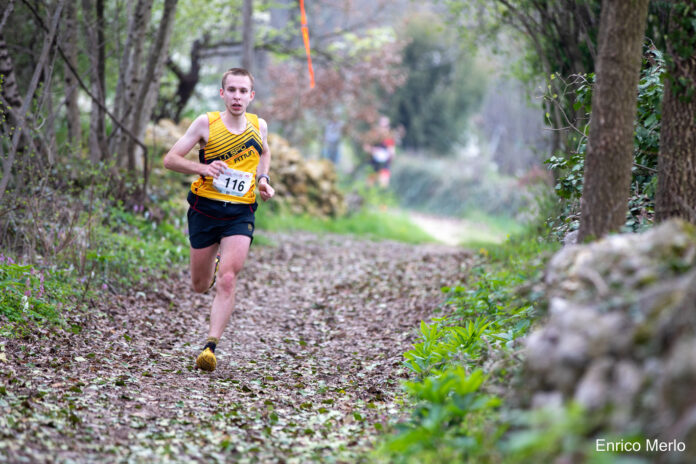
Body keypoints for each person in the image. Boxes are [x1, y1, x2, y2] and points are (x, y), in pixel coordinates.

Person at [163, 68, 275, 372]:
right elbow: (170, 159)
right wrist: (203, 169)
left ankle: (210, 347)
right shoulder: (205, 123)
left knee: (228, 278)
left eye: (243, 91)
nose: (237, 96)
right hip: (204, 210)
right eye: (232, 90)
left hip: (240, 212)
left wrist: (263, 180)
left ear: (251, 96)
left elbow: (264, 153)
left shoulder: (258, 125)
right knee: (200, 285)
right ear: (222, 93)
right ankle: (209, 267)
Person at [363, 116, 396, 188]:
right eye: (382, 125)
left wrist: (389, 156)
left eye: (386, 126)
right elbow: (366, 148)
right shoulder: (373, 137)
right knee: (369, 188)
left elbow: (392, 153)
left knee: (382, 189)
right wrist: (373, 150)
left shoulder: (389, 139)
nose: (384, 128)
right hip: (373, 165)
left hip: (384, 167)